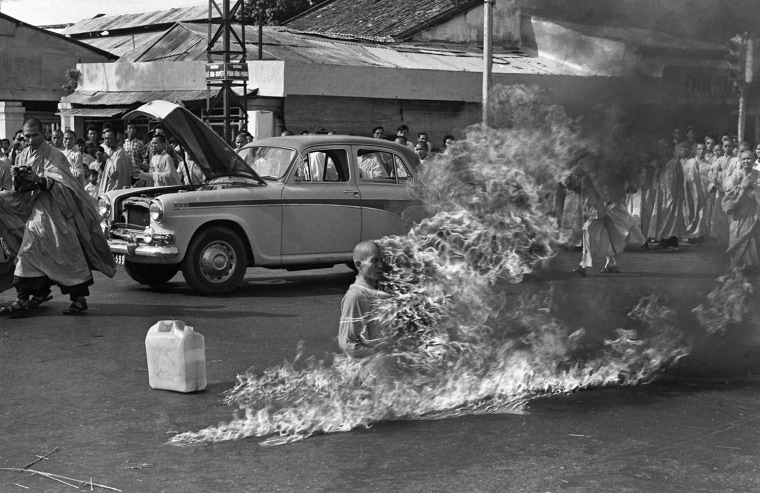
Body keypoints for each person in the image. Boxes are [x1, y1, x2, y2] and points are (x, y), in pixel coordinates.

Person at [0, 118, 116, 317]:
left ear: (43, 134)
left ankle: (78, 299)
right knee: (28, 253)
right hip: (35, 213)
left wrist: (42, 181)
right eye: (26, 136)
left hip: (56, 211)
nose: (30, 140)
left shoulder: (55, 155)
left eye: (34, 135)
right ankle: (25, 298)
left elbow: (66, 184)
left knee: (65, 255)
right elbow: (19, 190)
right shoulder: (22, 155)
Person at [338, 241, 396, 384]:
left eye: (382, 260)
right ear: (359, 265)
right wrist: (378, 356)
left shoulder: (379, 290)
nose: (381, 266)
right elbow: (347, 343)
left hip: (383, 367)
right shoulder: (356, 296)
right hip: (370, 372)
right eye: (374, 261)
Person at [722, 150, 760, 272]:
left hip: (753, 212)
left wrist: (754, 189)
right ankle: (738, 264)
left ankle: (751, 264)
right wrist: (743, 187)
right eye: (743, 159)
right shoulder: (736, 175)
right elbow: (729, 194)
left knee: (752, 237)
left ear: (754, 160)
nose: (746, 161)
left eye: (749, 158)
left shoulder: (758, 174)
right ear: (740, 161)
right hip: (739, 213)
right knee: (738, 236)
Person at [648, 140, 686, 251]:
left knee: (670, 217)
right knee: (664, 216)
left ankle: (668, 241)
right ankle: (667, 240)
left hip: (671, 196)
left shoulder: (673, 163)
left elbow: (675, 181)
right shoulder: (664, 163)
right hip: (664, 195)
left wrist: (670, 196)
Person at [681, 141, 707, 244]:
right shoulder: (682, 162)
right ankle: (689, 234)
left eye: (687, 148)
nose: (685, 150)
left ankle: (698, 234)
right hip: (684, 190)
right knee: (687, 211)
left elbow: (695, 179)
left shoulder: (693, 162)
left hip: (694, 189)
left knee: (696, 210)